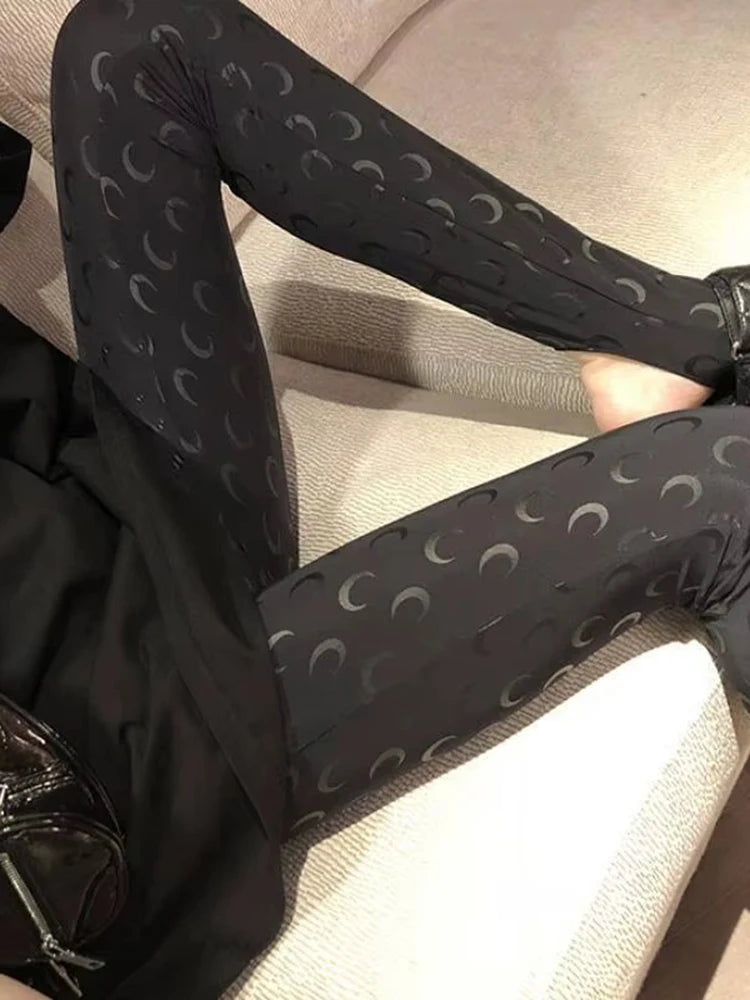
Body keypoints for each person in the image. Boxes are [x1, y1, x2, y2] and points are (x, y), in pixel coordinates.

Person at [2, 0, 750, 995]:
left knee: (138, 41)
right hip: (133, 753)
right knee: (726, 481)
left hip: (110, 490)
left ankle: (670, 335)